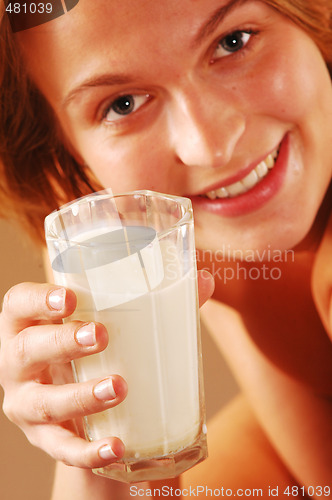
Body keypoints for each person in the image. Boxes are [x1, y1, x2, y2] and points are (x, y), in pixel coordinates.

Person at [0, 0, 332, 498]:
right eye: (124, 104)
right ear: (68, 149)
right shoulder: (139, 243)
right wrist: (93, 444)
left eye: (233, 42)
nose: (209, 145)